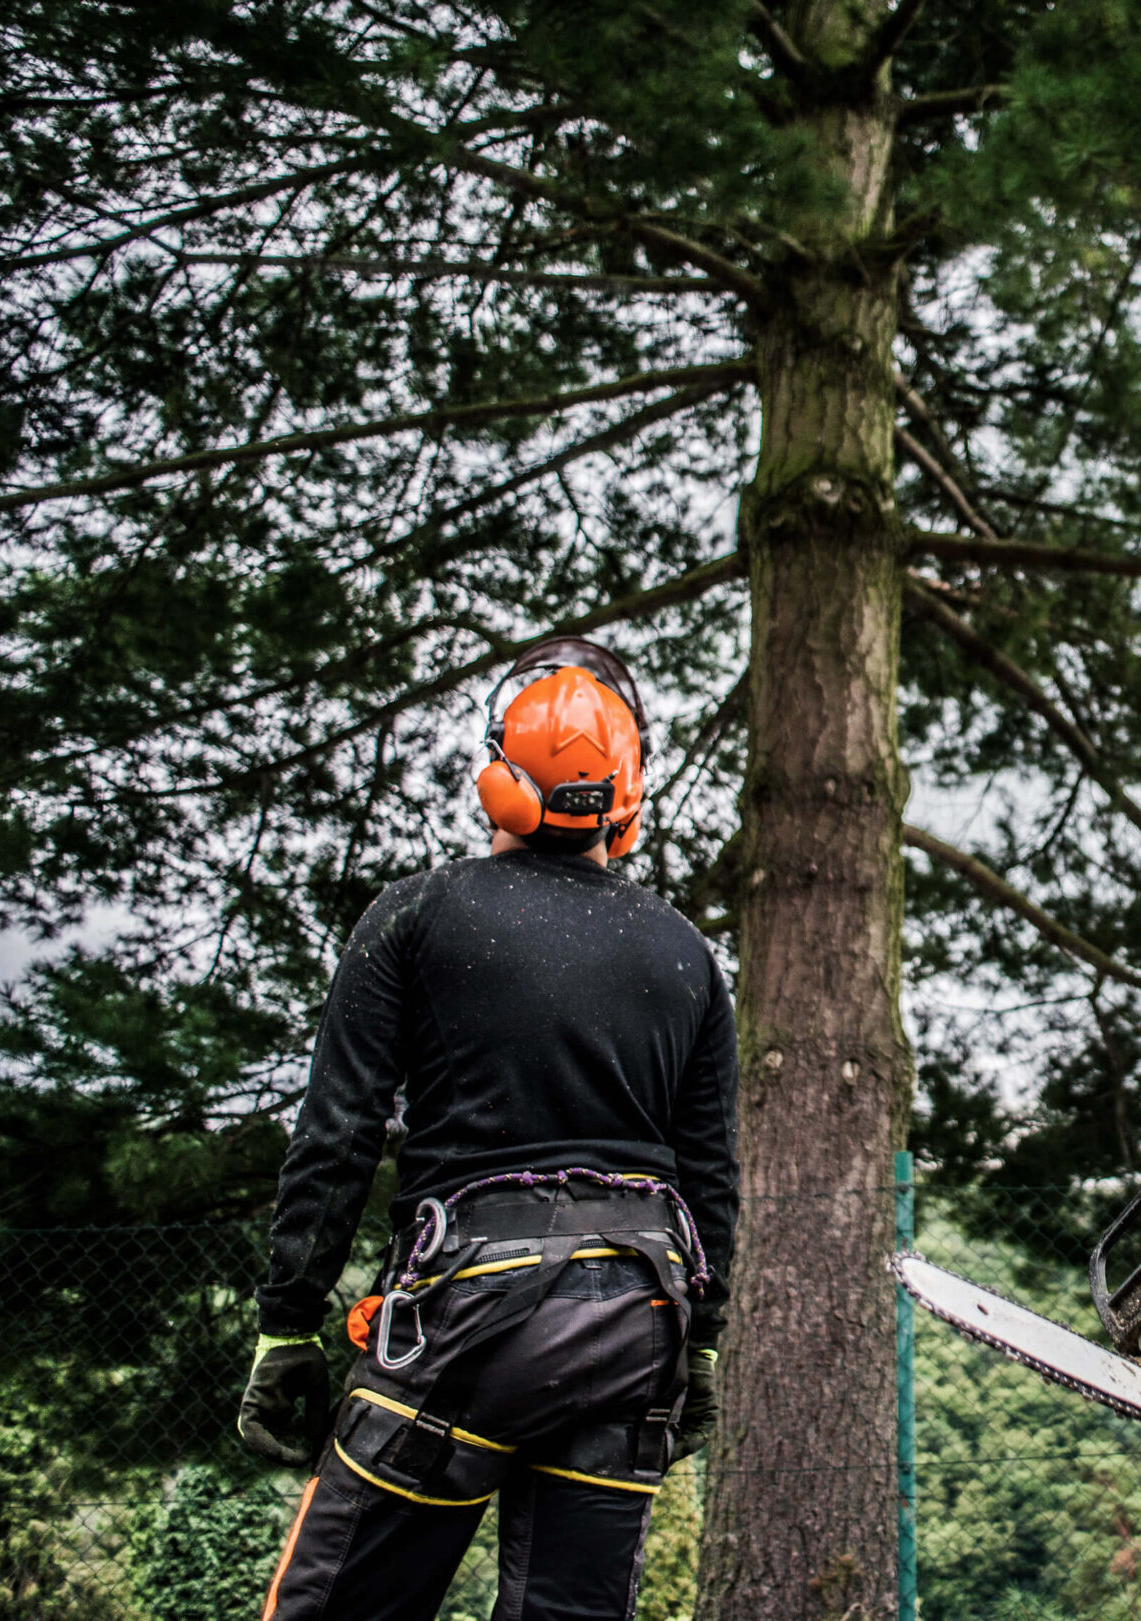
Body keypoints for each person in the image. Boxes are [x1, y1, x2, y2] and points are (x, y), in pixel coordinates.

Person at [239, 636, 740, 1621]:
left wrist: (287, 1322)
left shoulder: (416, 917)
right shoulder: (685, 954)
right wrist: (704, 1347)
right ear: (625, 797)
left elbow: (338, 1132)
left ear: (496, 779)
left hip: (461, 1321)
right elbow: (709, 1176)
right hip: (634, 1329)